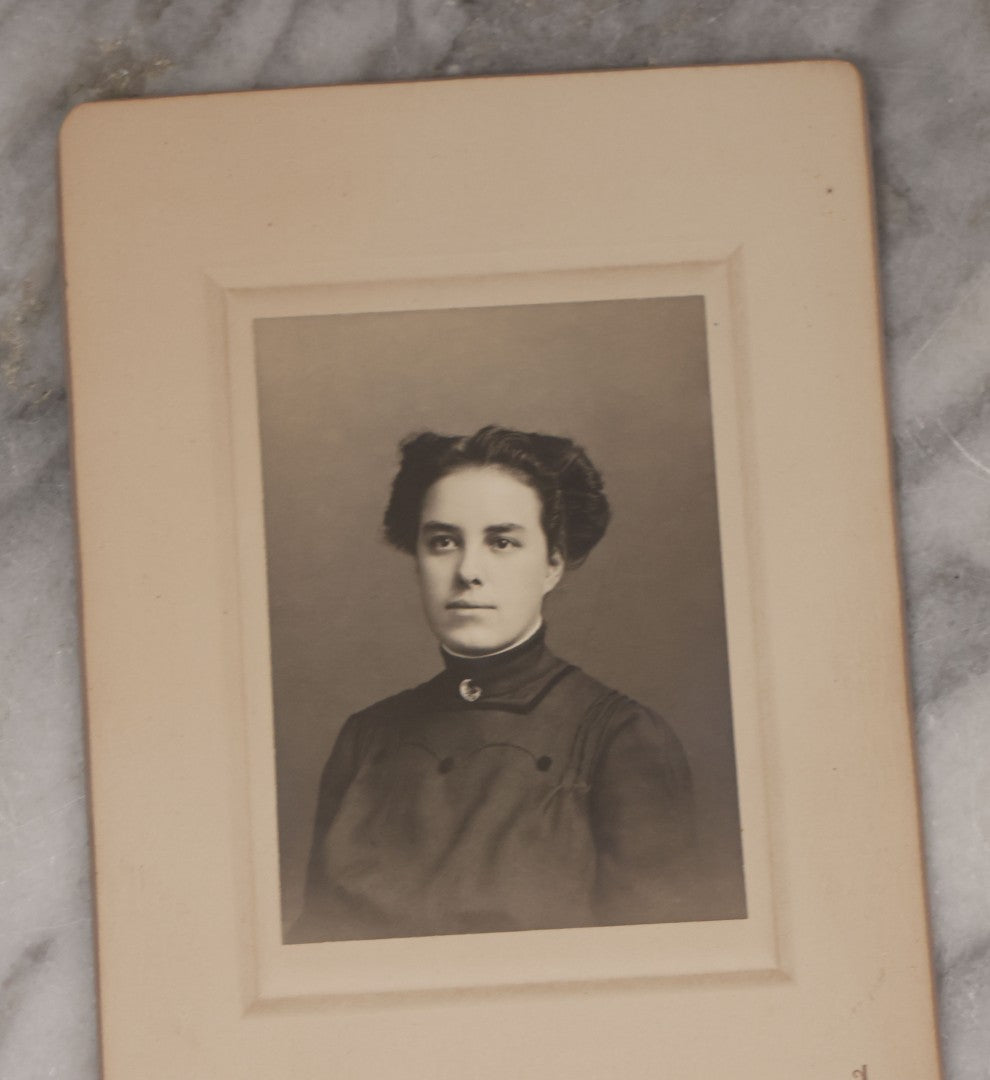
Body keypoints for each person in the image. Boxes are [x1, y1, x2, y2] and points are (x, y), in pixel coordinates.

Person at [287, 425, 696, 943]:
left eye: (502, 542)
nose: (467, 571)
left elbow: (654, 976)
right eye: (442, 542)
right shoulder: (366, 738)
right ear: (417, 560)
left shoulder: (622, 740)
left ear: (552, 565)